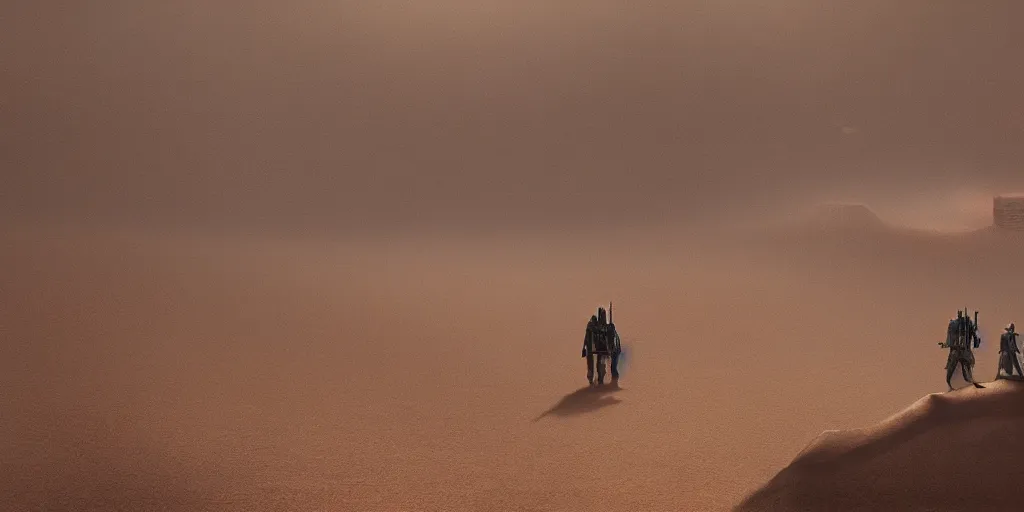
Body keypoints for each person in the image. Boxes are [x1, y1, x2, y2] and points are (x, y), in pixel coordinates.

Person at [940, 310, 983, 390]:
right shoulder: (956, 324)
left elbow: (974, 334)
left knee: (965, 367)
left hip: (961, 350)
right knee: (954, 368)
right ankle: (952, 385)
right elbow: (950, 339)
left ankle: (969, 383)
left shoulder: (965, 324)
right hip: (958, 350)